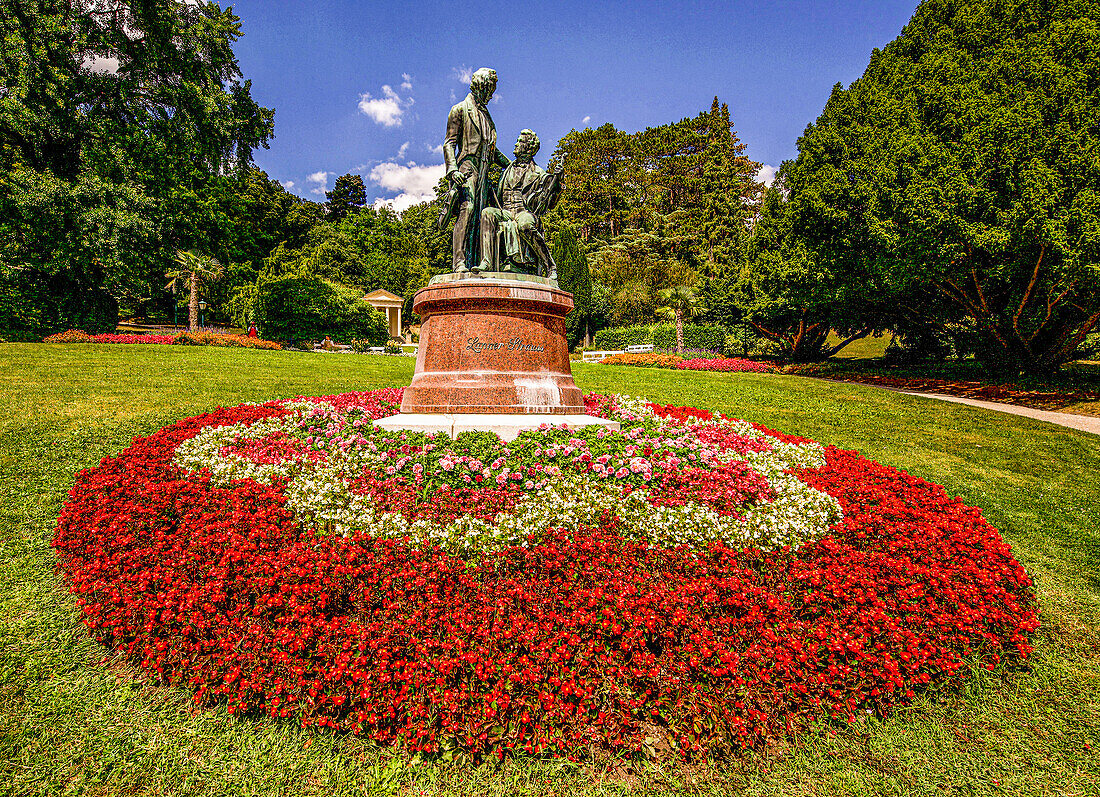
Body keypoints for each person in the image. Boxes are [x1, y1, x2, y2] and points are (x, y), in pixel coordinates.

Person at [441, 67, 510, 273]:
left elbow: (492, 150)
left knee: (483, 218)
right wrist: (452, 169)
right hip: (467, 168)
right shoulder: (460, 110)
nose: (491, 95)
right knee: (467, 210)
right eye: (490, 90)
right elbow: (449, 143)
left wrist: (512, 165)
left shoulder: (487, 117)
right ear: (481, 86)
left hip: (484, 172)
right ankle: (459, 262)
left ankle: (481, 262)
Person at [478, 129, 563, 279]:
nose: (516, 144)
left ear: (529, 148)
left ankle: (550, 265)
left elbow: (550, 203)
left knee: (524, 225)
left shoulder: (539, 173)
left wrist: (557, 182)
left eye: (520, 141)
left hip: (524, 211)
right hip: (505, 211)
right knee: (487, 213)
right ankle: (487, 262)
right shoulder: (508, 169)